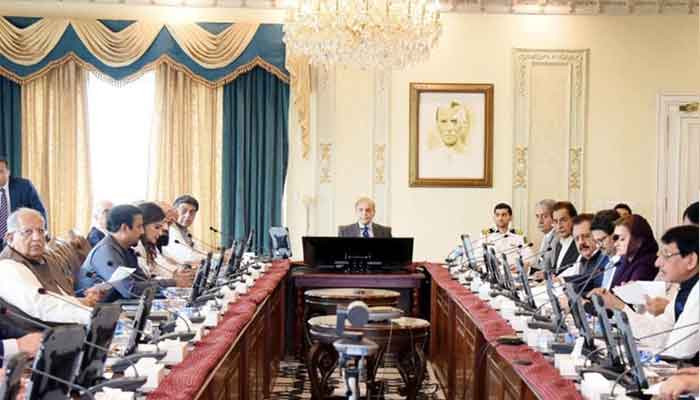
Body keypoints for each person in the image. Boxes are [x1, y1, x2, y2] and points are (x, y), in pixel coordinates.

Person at [598, 225, 698, 360]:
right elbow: (658, 335)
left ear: (691, 260)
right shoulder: (683, 287)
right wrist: (620, 307)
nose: (658, 263)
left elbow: (679, 352)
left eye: (666, 255)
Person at [0, 209, 92, 326]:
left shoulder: (46, 258)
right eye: (28, 231)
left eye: (41, 231)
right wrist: (91, 316)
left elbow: (60, 297)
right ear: (10, 238)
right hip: (39, 337)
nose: (37, 237)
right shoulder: (7, 267)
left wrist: (83, 302)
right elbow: (42, 305)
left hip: (72, 326)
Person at [134, 202, 194, 286]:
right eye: (157, 227)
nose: (164, 229)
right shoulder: (136, 247)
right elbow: (146, 279)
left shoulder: (149, 244)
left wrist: (177, 273)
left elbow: (157, 266)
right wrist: (174, 280)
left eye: (169, 223)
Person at [0, 157, 47, 249]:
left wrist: (41, 235)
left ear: (8, 172)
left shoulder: (24, 186)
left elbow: (40, 213)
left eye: (0, 171)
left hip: (19, 238)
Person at [562, 214, 609, 294]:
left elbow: (592, 281)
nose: (581, 242)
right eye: (577, 239)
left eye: (586, 236)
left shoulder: (605, 258)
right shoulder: (581, 258)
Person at [608, 214, 659, 288]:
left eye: (622, 239)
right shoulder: (624, 259)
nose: (616, 244)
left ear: (639, 241)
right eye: (616, 238)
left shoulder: (646, 265)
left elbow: (630, 297)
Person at [162, 195, 207, 265]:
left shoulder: (185, 232)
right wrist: (216, 257)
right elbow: (187, 258)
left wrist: (220, 256)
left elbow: (198, 252)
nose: (188, 215)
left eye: (192, 212)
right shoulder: (169, 231)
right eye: (184, 211)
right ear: (174, 211)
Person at [590, 209, 622, 290]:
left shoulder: (626, 262)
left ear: (616, 235)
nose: (598, 246)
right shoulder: (602, 258)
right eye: (596, 241)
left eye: (601, 240)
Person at [551, 201, 579, 274]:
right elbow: (557, 272)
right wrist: (546, 274)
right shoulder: (558, 244)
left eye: (563, 220)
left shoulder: (579, 244)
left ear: (574, 220)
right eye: (555, 221)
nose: (559, 226)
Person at [534, 199, 558, 272]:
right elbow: (541, 265)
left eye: (544, 216)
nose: (540, 221)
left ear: (554, 217)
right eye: (537, 216)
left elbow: (553, 270)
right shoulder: (546, 236)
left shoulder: (557, 240)